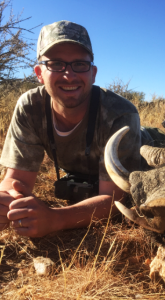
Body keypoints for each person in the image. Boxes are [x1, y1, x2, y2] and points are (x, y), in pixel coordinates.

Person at [0, 20, 141, 238]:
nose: (69, 75)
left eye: (80, 64)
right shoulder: (30, 106)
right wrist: (7, 198)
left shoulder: (120, 113)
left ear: (93, 73)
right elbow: (17, 179)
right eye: (56, 64)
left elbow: (115, 199)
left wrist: (56, 219)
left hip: (142, 148)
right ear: (39, 73)